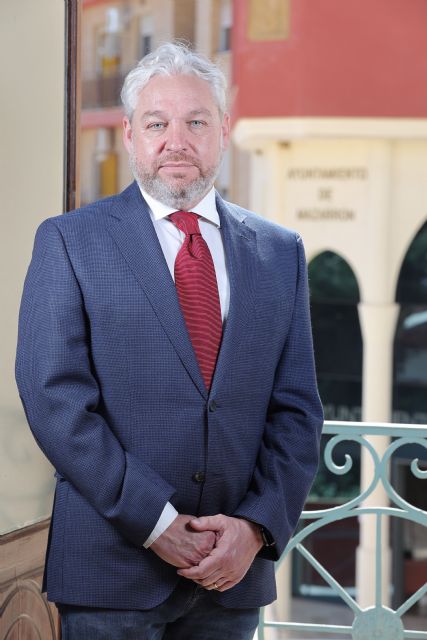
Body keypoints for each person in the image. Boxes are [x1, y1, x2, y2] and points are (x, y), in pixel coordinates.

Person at [16, 42, 323, 640]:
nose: (176, 141)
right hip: (111, 573)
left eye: (196, 122)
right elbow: (55, 401)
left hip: (231, 577)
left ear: (224, 131)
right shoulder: (69, 242)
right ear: (130, 134)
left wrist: (255, 529)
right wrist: (156, 523)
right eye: (157, 124)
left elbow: (297, 411)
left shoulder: (280, 253)